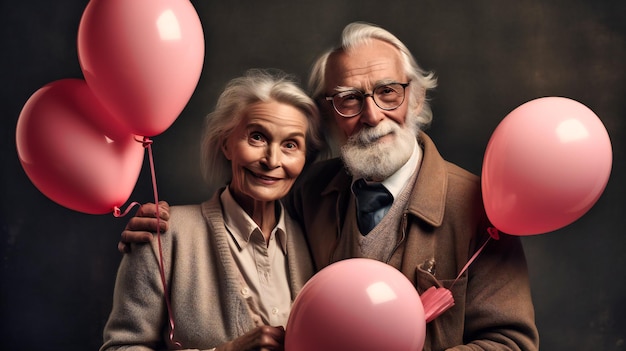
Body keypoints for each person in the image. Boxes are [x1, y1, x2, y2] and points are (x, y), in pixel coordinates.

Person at [121, 22, 540, 350]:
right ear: (330, 114)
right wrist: (158, 229)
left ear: (415, 100)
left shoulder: (478, 206)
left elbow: (512, 343)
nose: (372, 116)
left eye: (388, 93)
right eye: (349, 99)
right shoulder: (310, 191)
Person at [101, 69, 324, 351]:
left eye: (291, 145)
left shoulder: (314, 238)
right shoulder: (163, 235)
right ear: (226, 144)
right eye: (257, 137)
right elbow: (120, 348)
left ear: (305, 158)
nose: (272, 160)